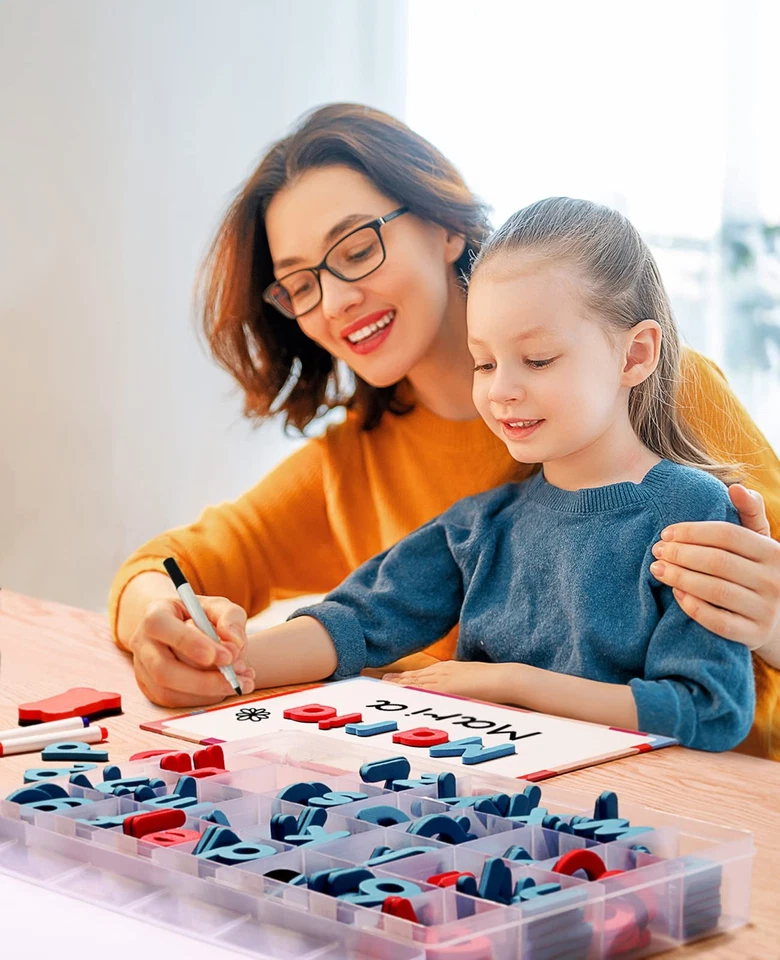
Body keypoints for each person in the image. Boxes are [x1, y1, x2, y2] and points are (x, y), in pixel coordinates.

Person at [109, 105, 780, 757]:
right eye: (299, 284)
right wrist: (181, 641)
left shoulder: (668, 406)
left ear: (445, 226)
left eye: (356, 248)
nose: (336, 298)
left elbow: (712, 702)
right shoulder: (386, 479)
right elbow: (193, 573)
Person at [228, 198, 755, 752]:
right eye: (483, 362)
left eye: (538, 359)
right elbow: (357, 621)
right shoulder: (482, 526)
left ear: (634, 356)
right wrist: (226, 661)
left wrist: (515, 685)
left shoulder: (692, 516)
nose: (501, 390)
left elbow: (709, 709)